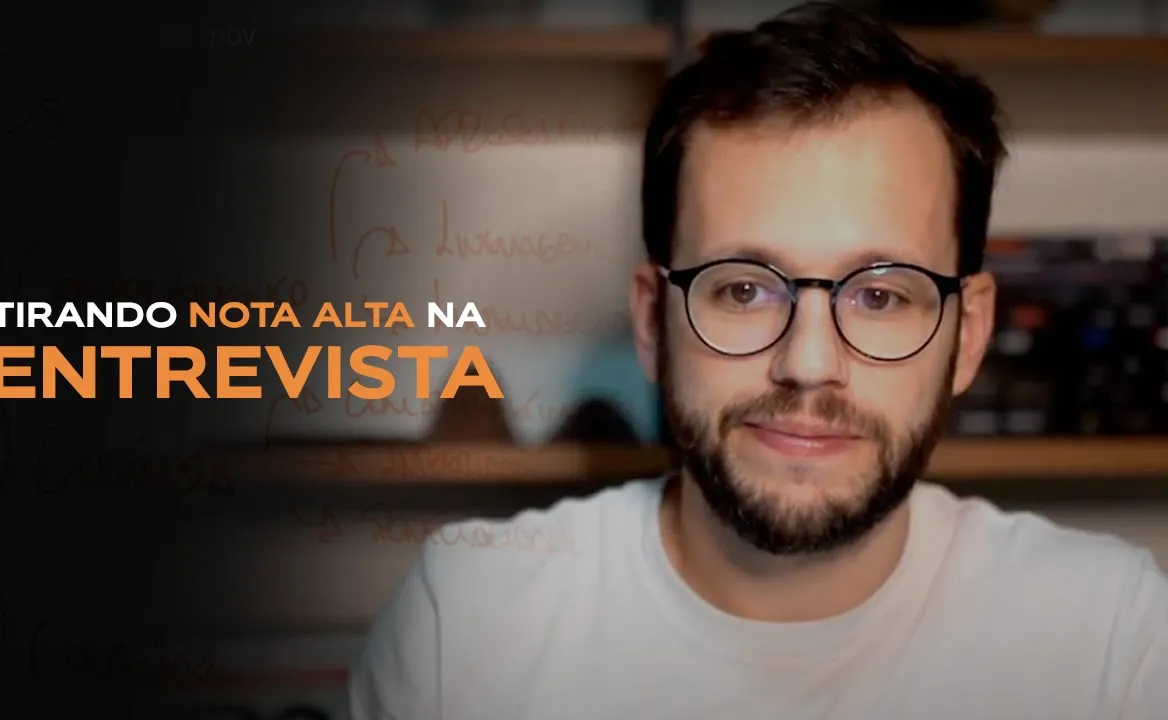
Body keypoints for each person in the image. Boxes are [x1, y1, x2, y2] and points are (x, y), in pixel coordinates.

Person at [346, 3, 1168, 718]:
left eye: (881, 296)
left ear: (970, 334)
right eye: (743, 290)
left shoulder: (1113, 641)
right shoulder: (465, 626)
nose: (808, 364)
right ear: (652, 321)